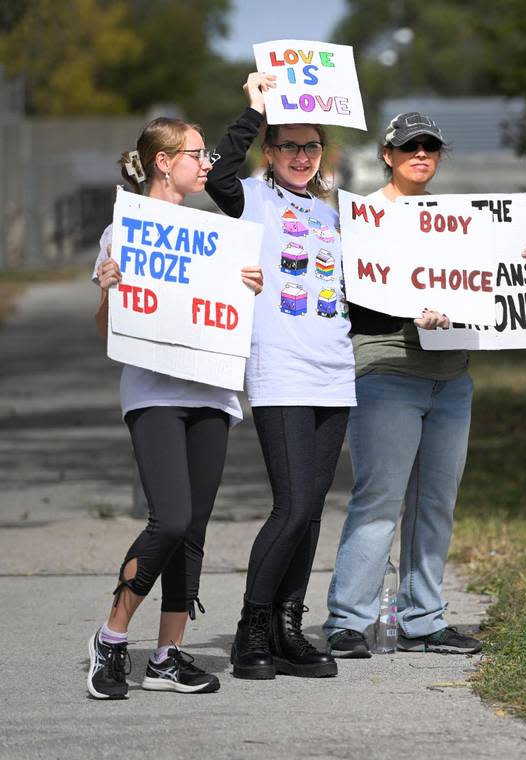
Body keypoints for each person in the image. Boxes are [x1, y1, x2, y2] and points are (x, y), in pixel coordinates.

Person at [322, 112, 526, 657]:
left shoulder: (462, 219)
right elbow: (343, 296)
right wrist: (404, 312)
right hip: (387, 372)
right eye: (409, 146)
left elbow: (484, 283)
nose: (421, 154)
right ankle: (349, 621)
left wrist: (522, 266)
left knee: (436, 502)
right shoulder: (362, 217)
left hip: (451, 378)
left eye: (430, 147)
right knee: (379, 498)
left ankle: (423, 619)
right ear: (387, 154)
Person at [86, 117, 264, 699]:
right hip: (155, 394)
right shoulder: (124, 232)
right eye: (196, 154)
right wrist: (110, 290)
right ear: (164, 162)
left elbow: (231, 311)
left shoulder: (218, 233)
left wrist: (248, 288)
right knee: (172, 518)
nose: (206, 163)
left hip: (212, 393)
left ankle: (168, 654)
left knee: (194, 530)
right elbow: (108, 331)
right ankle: (112, 639)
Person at [206, 73, 356, 678]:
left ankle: (291, 629)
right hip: (282, 369)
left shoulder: (333, 214)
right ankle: (253, 629)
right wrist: (253, 111)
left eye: (311, 147)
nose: (301, 157)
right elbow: (215, 175)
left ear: (322, 154)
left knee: (314, 510)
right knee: (292, 506)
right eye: (289, 146)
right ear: (270, 151)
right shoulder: (252, 199)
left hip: (334, 371)